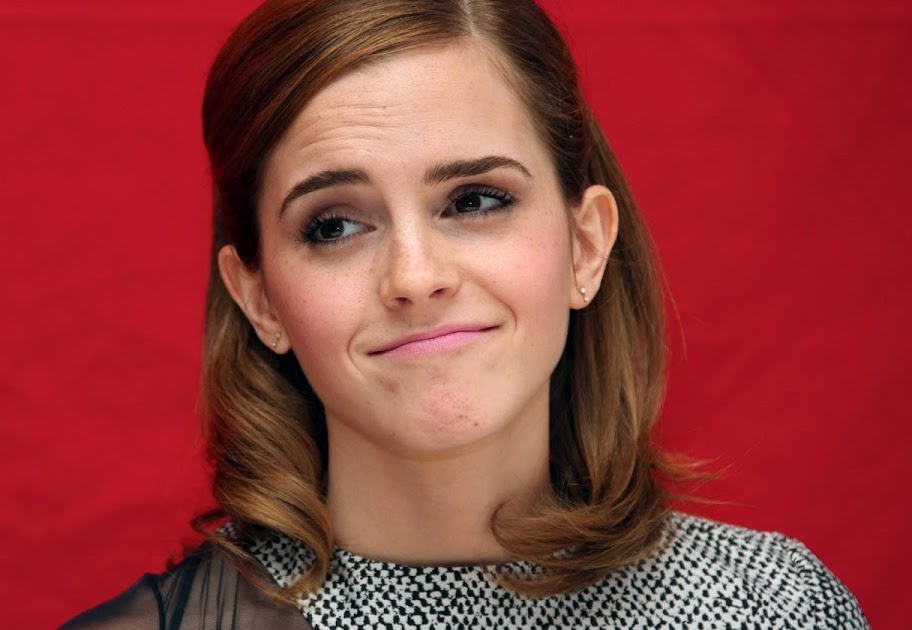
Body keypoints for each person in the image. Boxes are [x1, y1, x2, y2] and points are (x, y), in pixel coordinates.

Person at [62, 0, 868, 627]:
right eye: (334, 225)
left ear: (587, 246)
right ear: (260, 299)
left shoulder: (777, 610)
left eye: (476, 200)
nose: (415, 278)